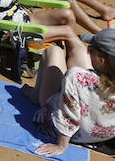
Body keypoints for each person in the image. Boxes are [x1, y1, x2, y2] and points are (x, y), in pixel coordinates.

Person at [28, 29, 115, 157]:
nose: (88, 51)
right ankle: (68, 34)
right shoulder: (83, 78)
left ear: (102, 60)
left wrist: (61, 145)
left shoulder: (76, 77)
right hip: (100, 135)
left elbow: (69, 114)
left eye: (91, 49)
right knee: (79, 52)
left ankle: (36, 95)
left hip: (70, 132)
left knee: (54, 51)